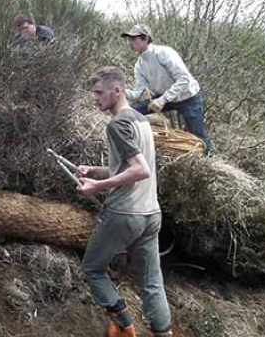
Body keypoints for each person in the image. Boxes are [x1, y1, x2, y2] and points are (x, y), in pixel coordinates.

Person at [76, 66, 172, 337]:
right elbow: (130, 167)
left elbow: (140, 170)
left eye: (99, 92)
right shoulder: (140, 120)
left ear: (117, 91)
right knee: (153, 281)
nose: (95, 98)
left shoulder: (116, 124)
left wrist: (98, 186)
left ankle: (124, 327)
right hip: (151, 214)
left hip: (124, 213)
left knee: (92, 268)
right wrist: (94, 171)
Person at [121, 24, 213, 156]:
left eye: (133, 39)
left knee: (198, 137)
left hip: (188, 97)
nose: (129, 43)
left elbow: (184, 79)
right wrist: (121, 91)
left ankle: (209, 157)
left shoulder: (164, 53)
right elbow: (139, 93)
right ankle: (136, 147)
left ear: (146, 39)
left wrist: (163, 100)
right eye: (128, 39)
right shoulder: (139, 65)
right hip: (164, 97)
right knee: (132, 112)